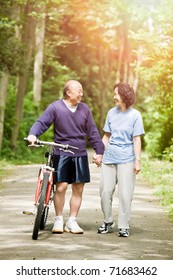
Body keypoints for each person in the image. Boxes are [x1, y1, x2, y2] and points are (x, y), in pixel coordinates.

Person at [27, 80, 104, 234]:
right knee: (61, 187)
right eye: (79, 91)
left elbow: (93, 132)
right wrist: (32, 134)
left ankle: (72, 221)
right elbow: (42, 122)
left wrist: (99, 151)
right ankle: (59, 219)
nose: (82, 94)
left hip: (79, 152)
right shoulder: (56, 107)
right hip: (61, 152)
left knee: (78, 188)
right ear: (69, 92)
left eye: (82, 91)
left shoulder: (85, 110)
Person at [96, 82, 144, 237]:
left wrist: (137, 160)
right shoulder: (111, 113)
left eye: (116, 93)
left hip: (126, 159)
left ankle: (124, 225)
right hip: (109, 158)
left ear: (124, 95)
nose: (114, 96)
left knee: (125, 194)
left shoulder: (135, 115)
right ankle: (108, 221)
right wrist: (99, 153)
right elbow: (107, 136)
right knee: (105, 191)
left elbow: (137, 140)